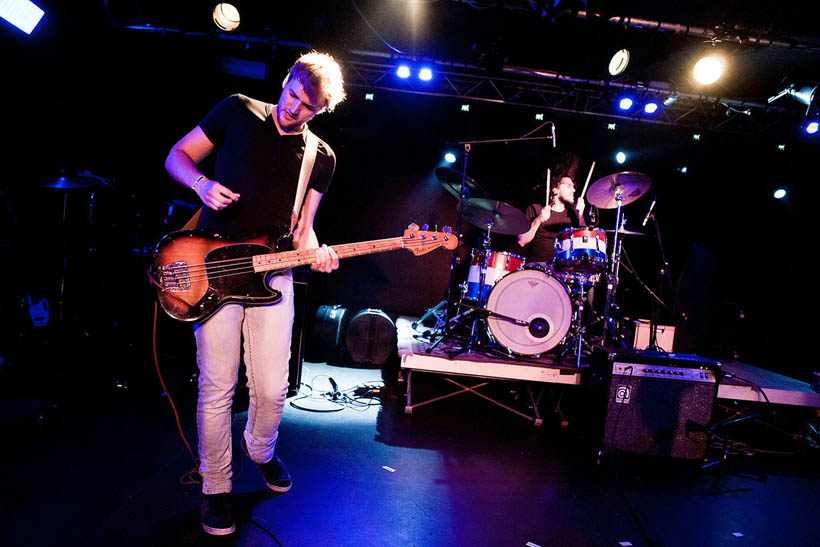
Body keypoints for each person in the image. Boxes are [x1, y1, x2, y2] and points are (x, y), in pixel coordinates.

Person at [164, 51, 346, 536]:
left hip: (274, 272)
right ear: (286, 81)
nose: (294, 109)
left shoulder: (320, 156)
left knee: (271, 386)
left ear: (320, 110)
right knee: (217, 386)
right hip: (213, 269)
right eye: (292, 95)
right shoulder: (237, 109)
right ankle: (216, 487)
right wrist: (201, 185)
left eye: (307, 106)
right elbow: (176, 156)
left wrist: (318, 253)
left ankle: (261, 450)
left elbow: (304, 229)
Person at [516, 153, 586, 264]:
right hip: (537, 268)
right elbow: (522, 241)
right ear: (554, 190)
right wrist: (538, 219)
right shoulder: (535, 209)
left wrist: (580, 216)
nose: (573, 190)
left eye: (574, 186)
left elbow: (585, 243)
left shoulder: (573, 214)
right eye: (568, 186)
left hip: (563, 270)